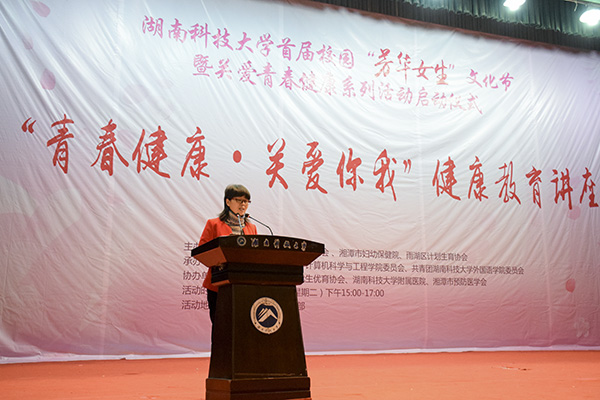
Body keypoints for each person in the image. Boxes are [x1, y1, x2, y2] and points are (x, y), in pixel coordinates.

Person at [198, 184, 257, 323]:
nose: (243, 204)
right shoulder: (213, 224)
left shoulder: (251, 227)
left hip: (244, 284)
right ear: (228, 201)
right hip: (219, 284)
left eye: (246, 201)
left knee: (242, 324)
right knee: (220, 324)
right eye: (239, 200)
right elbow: (202, 250)